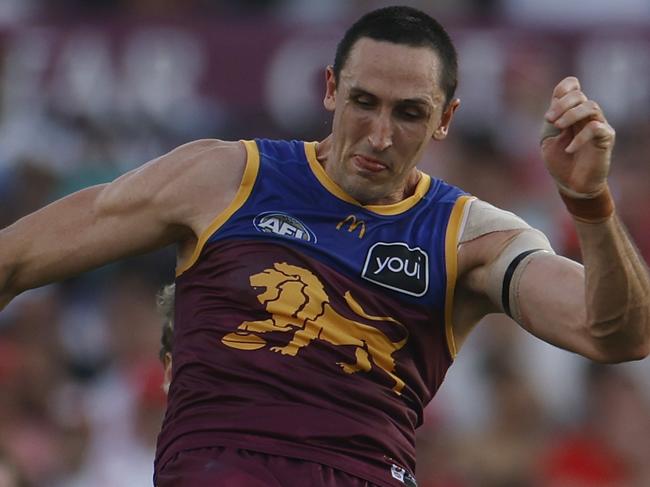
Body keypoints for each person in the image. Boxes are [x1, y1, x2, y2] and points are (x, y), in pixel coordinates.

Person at [1, 6, 649, 487]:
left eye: (409, 113)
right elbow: (17, 257)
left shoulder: (470, 236)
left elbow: (618, 334)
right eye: (363, 102)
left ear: (445, 118)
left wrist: (588, 201)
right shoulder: (224, 179)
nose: (379, 134)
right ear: (330, 88)